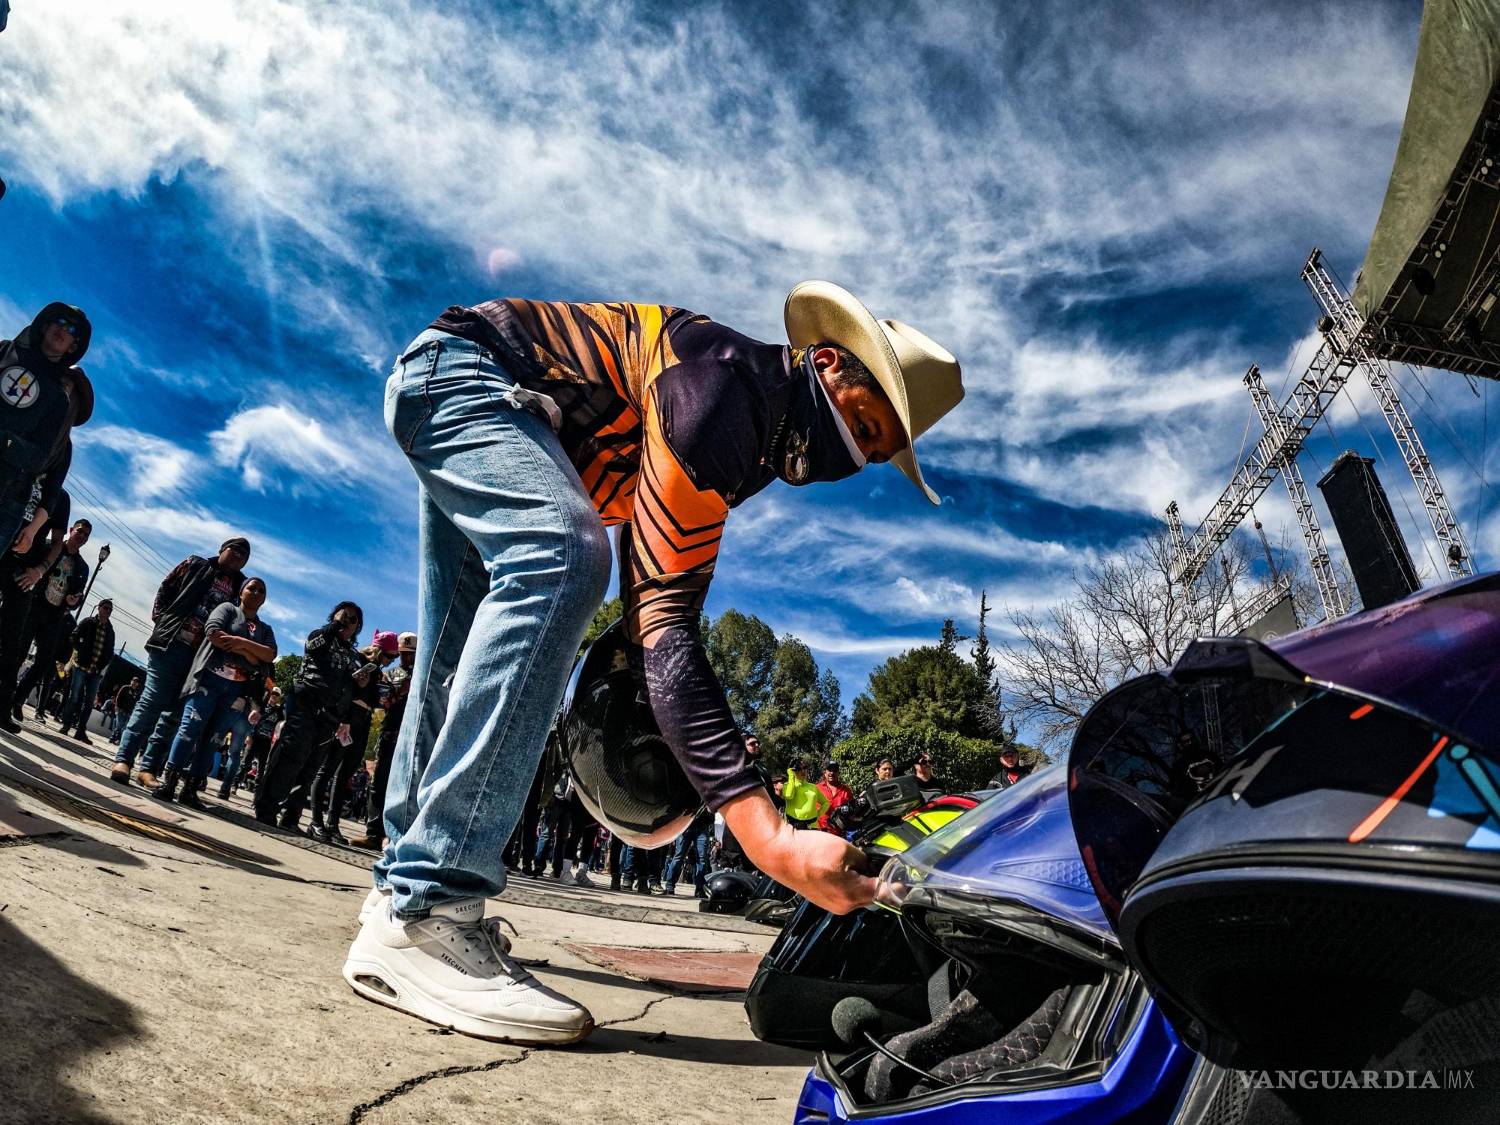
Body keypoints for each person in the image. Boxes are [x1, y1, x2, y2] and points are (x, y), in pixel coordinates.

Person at [349, 282, 963, 1044]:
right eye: (864, 424)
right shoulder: (724, 392)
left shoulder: (744, 422)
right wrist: (768, 837)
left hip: (466, 385)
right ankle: (430, 910)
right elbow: (662, 623)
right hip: (474, 380)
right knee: (564, 555)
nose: (856, 456)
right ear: (829, 363)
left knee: (456, 646)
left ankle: (401, 894)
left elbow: (662, 615)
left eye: (873, 452)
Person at [110, 538, 250, 786]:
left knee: (175, 714)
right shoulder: (196, 564)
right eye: (235, 550)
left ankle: (149, 768)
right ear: (221, 549)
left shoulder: (241, 587)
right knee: (152, 701)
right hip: (172, 645)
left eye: (245, 555)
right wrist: (162, 622)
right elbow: (167, 587)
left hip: (203, 659)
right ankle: (124, 759)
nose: (239, 556)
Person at [152, 577, 276, 808]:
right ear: (241, 592)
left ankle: (191, 787)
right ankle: (169, 780)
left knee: (214, 738)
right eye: (252, 588)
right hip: (208, 680)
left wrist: (239, 642)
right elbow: (214, 634)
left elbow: (269, 655)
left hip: (236, 691)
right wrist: (251, 655)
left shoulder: (265, 629)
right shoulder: (227, 609)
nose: (256, 592)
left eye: (261, 590)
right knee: (190, 727)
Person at [254, 601, 363, 829]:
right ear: (334, 615)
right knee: (290, 756)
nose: (348, 622)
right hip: (307, 702)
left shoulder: (353, 655)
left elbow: (351, 688)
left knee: (310, 767)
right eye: (345, 616)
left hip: (331, 714)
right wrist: (334, 626)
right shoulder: (320, 636)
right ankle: (267, 807)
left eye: (353, 620)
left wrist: (361, 682)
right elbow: (313, 647)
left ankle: (291, 817)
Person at [0, 305, 94, 549]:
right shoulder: (5, 351)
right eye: (59, 322)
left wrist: (6, 442)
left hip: (7, 490)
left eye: (71, 329)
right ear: (44, 325)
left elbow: (40, 460)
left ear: (73, 345)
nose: (62, 329)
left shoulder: (57, 398)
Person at [306, 629, 397, 844]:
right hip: (346, 716)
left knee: (344, 774)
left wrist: (382, 693)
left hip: (363, 720)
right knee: (327, 769)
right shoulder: (356, 659)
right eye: (388, 656)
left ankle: (332, 824)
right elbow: (345, 688)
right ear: (378, 650)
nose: (390, 661)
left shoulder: (377, 672)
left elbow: (374, 699)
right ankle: (316, 821)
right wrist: (344, 716)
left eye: (393, 658)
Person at [0, 491, 75, 734]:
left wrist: (39, 570)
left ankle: (4, 707)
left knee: (13, 642)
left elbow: (56, 543)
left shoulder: (60, 498)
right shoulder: (21, 470)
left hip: (25, 571)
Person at [11, 517, 90, 721]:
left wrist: (74, 600)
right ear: (71, 530)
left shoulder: (82, 567)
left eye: (86, 535)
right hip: (34, 606)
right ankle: (6, 695)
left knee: (43, 662)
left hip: (55, 617)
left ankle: (18, 700)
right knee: (18, 653)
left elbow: (78, 595)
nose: (81, 536)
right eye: (79, 531)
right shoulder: (50, 547)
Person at [348, 631, 415, 851]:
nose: (407, 659)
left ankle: (397, 838)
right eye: (404, 654)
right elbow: (381, 701)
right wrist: (398, 693)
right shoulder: (390, 674)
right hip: (390, 733)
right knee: (379, 785)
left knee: (407, 788)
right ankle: (373, 834)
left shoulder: (426, 677)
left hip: (414, 738)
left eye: (411, 654)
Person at [59, 598, 114, 742]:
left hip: (96, 671)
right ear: (99, 608)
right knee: (74, 696)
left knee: (89, 702)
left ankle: (81, 730)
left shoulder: (110, 631)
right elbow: (74, 636)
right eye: (106, 608)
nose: (107, 611)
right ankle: (66, 724)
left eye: (110, 609)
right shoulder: (88, 622)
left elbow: (109, 652)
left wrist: (101, 665)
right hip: (80, 666)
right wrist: (80, 650)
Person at [235, 686, 282, 792]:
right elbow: (252, 722)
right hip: (254, 738)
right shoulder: (262, 706)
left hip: (266, 742)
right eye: (273, 694)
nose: (274, 696)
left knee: (261, 768)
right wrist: (249, 735)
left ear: (279, 698)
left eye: (277, 695)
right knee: (245, 763)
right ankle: (234, 784)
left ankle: (257, 792)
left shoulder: (279, 712)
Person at [663, 806, 714, 896]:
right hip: (685, 825)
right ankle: (670, 885)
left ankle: (700, 888)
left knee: (701, 859)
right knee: (679, 856)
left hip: (702, 826)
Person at [782, 757, 830, 830]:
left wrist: (817, 815)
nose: (803, 771)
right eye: (799, 768)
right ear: (793, 770)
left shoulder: (813, 787)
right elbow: (789, 795)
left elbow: (826, 803)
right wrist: (791, 776)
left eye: (804, 768)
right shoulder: (787, 785)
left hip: (812, 826)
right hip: (794, 826)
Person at [815, 760, 852, 831]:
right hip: (820, 832)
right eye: (829, 770)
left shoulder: (846, 790)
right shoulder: (817, 788)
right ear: (825, 772)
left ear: (838, 773)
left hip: (841, 832)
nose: (832, 773)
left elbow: (851, 812)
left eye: (835, 770)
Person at [109, 676, 142, 746]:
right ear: (131, 681)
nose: (134, 683)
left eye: (136, 682)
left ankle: (114, 738)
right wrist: (116, 706)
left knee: (123, 726)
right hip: (121, 709)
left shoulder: (137, 692)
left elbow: (137, 702)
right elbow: (118, 696)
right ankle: (115, 739)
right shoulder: (125, 687)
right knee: (119, 724)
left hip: (129, 711)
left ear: (138, 684)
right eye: (133, 681)